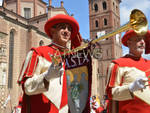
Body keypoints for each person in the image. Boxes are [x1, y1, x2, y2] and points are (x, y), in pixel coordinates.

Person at [18, 14, 82, 113]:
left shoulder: (72, 59)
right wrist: (47, 77)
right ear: (52, 31)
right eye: (62, 27)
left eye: (69, 29)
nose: (66, 31)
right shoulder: (38, 53)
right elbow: (27, 87)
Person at [106, 29, 150, 113]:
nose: (142, 42)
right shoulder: (117, 64)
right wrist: (130, 88)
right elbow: (110, 93)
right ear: (129, 43)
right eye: (138, 39)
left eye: (143, 39)